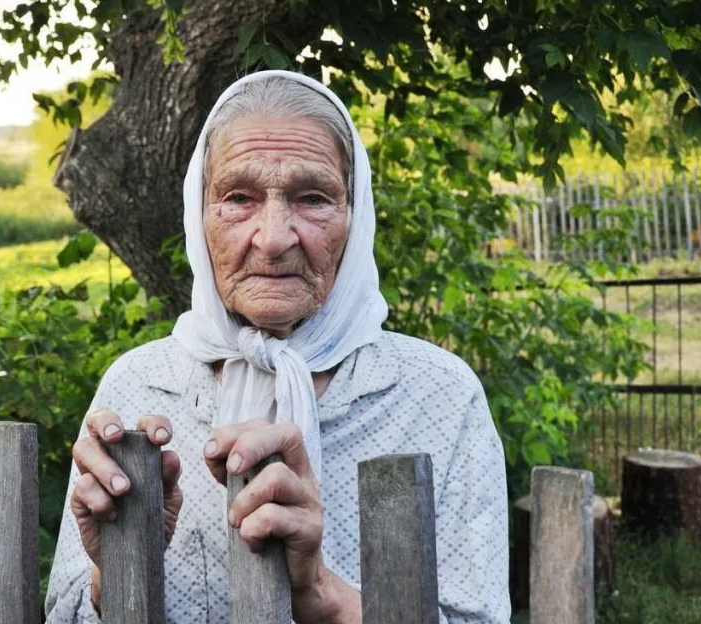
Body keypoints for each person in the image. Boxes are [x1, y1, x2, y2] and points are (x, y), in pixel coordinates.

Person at [45, 70, 510, 623]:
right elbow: (67, 615)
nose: (273, 238)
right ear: (200, 217)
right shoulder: (138, 386)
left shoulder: (437, 395)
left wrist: (320, 592)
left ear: (354, 218)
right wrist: (116, 566)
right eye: (238, 197)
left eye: (312, 198)